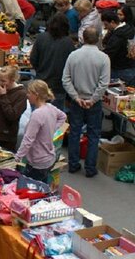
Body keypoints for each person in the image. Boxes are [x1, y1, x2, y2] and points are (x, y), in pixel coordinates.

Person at [62, 27, 110, 178]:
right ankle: (90, 168)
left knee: (75, 132)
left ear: (82, 37)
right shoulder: (103, 58)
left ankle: (73, 164)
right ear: (98, 39)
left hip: (77, 101)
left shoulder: (73, 55)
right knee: (93, 134)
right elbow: (103, 83)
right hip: (93, 103)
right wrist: (93, 99)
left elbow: (66, 79)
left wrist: (76, 97)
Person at [16, 80, 67, 183]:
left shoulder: (37, 114)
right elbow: (63, 117)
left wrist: (18, 157)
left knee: (28, 187)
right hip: (49, 158)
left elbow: (28, 140)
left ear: (36, 95)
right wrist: (52, 129)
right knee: (42, 186)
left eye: (29, 93)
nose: (27, 95)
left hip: (37, 162)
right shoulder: (51, 108)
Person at [30, 13, 76, 111]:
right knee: (55, 118)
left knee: (37, 115)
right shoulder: (68, 43)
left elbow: (33, 59)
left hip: (40, 83)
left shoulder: (41, 38)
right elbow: (71, 65)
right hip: (58, 86)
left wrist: (40, 70)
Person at [0, 65, 27, 152]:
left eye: (3, 81)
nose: (0, 83)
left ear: (12, 80)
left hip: (7, 137)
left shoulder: (21, 94)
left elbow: (12, 116)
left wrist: (3, 96)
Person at [101, 10, 135, 86]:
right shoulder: (130, 28)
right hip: (131, 67)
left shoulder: (117, 35)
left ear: (112, 22)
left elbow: (109, 53)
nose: (105, 27)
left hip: (119, 70)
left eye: (106, 24)